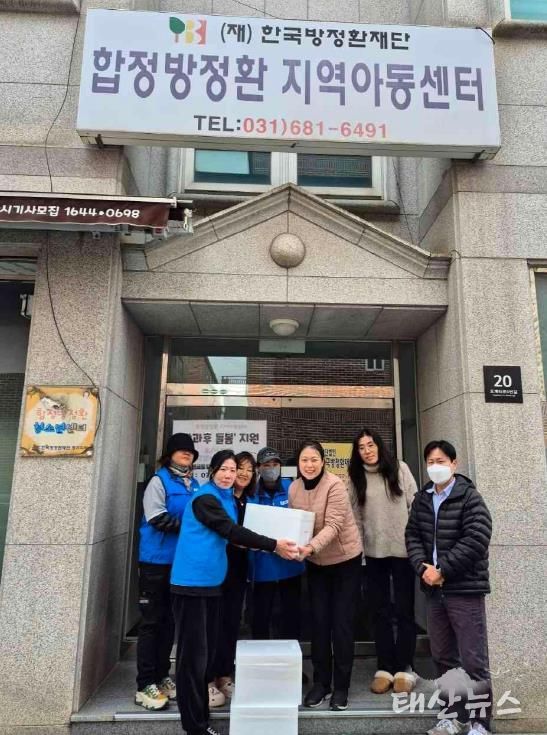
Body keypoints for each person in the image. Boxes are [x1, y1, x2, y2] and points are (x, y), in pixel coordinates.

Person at [171, 450, 299, 735]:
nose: (230, 475)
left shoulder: (227, 498)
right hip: (191, 585)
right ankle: (194, 727)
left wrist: (269, 544)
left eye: (233, 470)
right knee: (192, 659)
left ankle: (201, 722)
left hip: (212, 585)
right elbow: (230, 530)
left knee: (204, 655)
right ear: (212, 471)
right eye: (224, 469)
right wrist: (274, 545)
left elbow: (236, 537)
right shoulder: (205, 499)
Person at [405, 440, 493, 735]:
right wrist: (424, 570)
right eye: (431, 462)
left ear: (454, 464)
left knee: (473, 660)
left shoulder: (469, 497)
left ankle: (480, 724)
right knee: (443, 658)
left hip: (464, 589)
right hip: (434, 591)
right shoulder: (422, 499)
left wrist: (443, 570)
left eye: (441, 461)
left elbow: (477, 538)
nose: (436, 466)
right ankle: (453, 717)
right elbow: (412, 536)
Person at [289, 441, 363, 712]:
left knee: (341, 624)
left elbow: (333, 525)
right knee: (319, 623)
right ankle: (321, 683)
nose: (309, 465)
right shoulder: (294, 488)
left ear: (323, 462)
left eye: (314, 459)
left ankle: (341, 686)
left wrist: (309, 547)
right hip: (316, 563)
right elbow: (296, 523)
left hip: (345, 561)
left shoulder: (335, 485)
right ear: (298, 463)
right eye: (304, 460)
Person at [347, 429, 418, 696]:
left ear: (379, 445)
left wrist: (415, 544)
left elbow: (415, 506)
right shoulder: (355, 477)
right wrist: (360, 552)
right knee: (379, 612)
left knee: (404, 610)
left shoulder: (400, 469)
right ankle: (385, 666)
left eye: (371, 444)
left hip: (403, 552)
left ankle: (405, 667)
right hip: (373, 553)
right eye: (361, 447)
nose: (367, 450)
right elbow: (354, 517)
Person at [135, 432, 200, 710]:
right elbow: (157, 518)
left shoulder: (193, 483)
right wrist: (192, 528)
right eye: (182, 450)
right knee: (151, 622)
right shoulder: (158, 481)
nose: (187, 454)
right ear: (170, 454)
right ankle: (144, 684)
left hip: (179, 562)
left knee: (170, 621)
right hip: (155, 561)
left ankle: (162, 676)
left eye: (190, 451)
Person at [212, 451, 257, 704]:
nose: (244, 473)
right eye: (240, 467)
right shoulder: (219, 498)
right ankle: (209, 677)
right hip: (217, 567)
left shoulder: (250, 501)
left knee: (231, 622)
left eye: (250, 470)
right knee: (214, 622)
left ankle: (224, 674)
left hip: (239, 569)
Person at [248, 447, 305, 641]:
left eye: (275, 464)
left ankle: (291, 657)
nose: (272, 468)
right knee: (261, 616)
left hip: (291, 564)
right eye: (266, 465)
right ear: (258, 468)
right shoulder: (252, 493)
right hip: (263, 567)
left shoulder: (292, 487)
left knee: (291, 615)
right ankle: (261, 656)